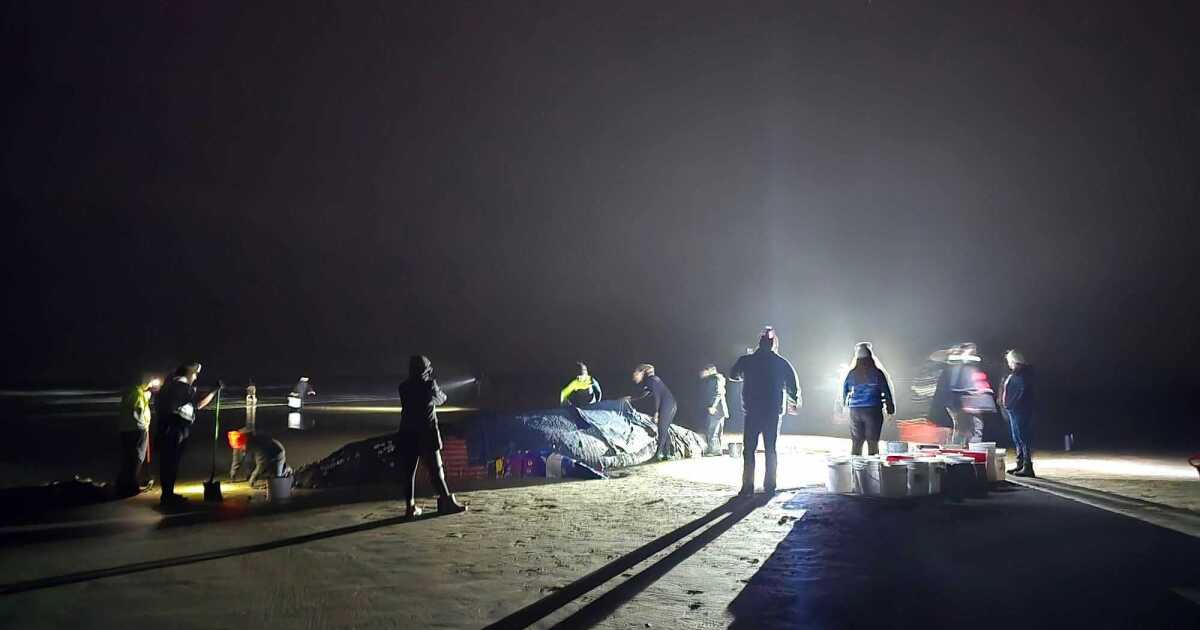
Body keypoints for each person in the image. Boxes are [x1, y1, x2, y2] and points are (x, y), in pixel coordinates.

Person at [729, 327, 801, 495]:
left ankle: (747, 486)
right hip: (772, 411)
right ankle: (770, 485)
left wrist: (745, 370)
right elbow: (792, 384)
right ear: (773, 344)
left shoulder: (747, 360)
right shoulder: (781, 362)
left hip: (752, 410)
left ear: (759, 343)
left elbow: (733, 375)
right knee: (770, 449)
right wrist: (794, 401)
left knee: (749, 450)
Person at [397, 355, 466, 518]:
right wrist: (432, 382)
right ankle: (446, 501)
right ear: (425, 369)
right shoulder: (429, 385)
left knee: (409, 473)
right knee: (436, 470)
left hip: (407, 433)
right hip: (426, 433)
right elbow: (442, 399)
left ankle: (410, 507)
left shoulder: (403, 387)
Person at [155, 362, 220, 507]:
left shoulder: (167, 387)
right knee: (171, 462)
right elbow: (198, 404)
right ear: (189, 374)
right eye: (195, 374)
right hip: (176, 429)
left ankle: (167, 494)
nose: (196, 377)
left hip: (165, 427)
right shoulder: (182, 387)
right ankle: (167, 497)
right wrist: (214, 391)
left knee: (167, 462)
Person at [842, 343, 895, 456]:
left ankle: (856, 471)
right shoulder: (877, 373)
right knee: (872, 444)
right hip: (873, 410)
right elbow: (886, 391)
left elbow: (844, 391)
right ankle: (872, 471)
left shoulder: (852, 374)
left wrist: (843, 406)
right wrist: (890, 410)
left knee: (856, 443)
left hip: (855, 411)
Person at [935, 343, 994, 445]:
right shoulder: (958, 366)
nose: (973, 352)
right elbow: (956, 386)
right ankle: (967, 452)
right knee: (970, 429)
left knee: (967, 429)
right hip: (963, 403)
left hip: (968, 402)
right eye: (971, 350)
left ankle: (962, 450)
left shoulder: (969, 366)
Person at [116, 375, 162, 497]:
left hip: (126, 429)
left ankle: (124, 484)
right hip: (137, 429)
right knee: (137, 457)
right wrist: (144, 425)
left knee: (129, 457)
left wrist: (147, 395)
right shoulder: (136, 392)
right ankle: (131, 485)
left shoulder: (133, 392)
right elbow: (138, 410)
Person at [630, 364, 677, 460]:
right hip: (670, 404)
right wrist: (631, 399)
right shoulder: (651, 381)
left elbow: (657, 396)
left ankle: (658, 454)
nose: (634, 378)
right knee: (664, 429)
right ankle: (667, 453)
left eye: (636, 374)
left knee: (662, 428)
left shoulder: (652, 379)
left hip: (668, 404)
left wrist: (656, 412)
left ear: (643, 372)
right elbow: (645, 394)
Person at [1002, 349, 1036, 477]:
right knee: (1017, 437)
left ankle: (1027, 466)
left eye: (1010, 362)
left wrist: (1013, 403)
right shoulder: (1018, 374)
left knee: (1023, 436)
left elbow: (1023, 391)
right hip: (1015, 409)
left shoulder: (1023, 374)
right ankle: (1020, 463)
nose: (1009, 364)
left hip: (1021, 409)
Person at [699, 364, 729, 456]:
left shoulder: (715, 379)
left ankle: (714, 451)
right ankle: (717, 450)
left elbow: (717, 394)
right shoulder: (718, 379)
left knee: (712, 430)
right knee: (718, 430)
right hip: (721, 409)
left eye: (705, 371)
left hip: (716, 409)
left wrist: (713, 406)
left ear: (711, 370)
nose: (702, 373)